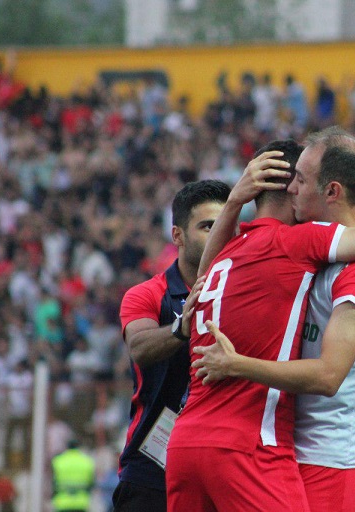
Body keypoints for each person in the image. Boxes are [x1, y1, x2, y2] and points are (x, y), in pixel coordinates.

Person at [167, 138, 355, 511]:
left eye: (301, 180)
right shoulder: (297, 245)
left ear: (331, 191)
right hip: (275, 444)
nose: (293, 188)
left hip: (331, 457)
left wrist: (236, 364)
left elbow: (328, 375)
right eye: (292, 179)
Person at [112, 180, 231, 511]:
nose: (219, 235)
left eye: (225, 226)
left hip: (222, 466)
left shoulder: (243, 292)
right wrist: (182, 327)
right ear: (178, 236)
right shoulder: (148, 294)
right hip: (152, 469)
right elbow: (139, 346)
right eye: (207, 226)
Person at [51, 439, 96, 512]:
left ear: (67, 447)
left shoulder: (58, 461)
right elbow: (91, 483)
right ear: (78, 447)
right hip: (81, 503)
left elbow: (53, 482)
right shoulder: (87, 461)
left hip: (62, 503)